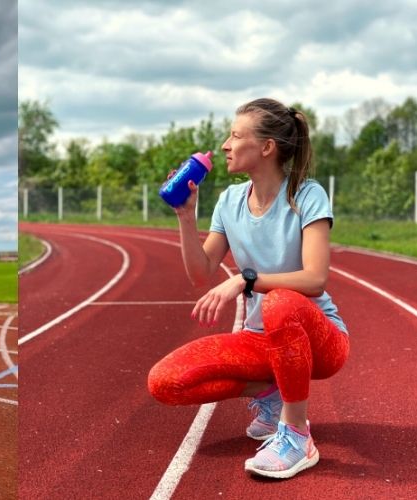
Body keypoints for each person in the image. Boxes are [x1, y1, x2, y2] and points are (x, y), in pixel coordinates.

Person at [147, 98, 349, 479]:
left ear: (266, 147)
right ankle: (271, 394)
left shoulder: (307, 195)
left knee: (280, 304)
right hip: (262, 340)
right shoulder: (228, 200)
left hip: (320, 336)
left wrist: (245, 278)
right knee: (165, 382)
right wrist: (186, 217)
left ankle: (296, 436)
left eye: (236, 136)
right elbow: (201, 274)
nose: (225, 144)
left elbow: (314, 278)